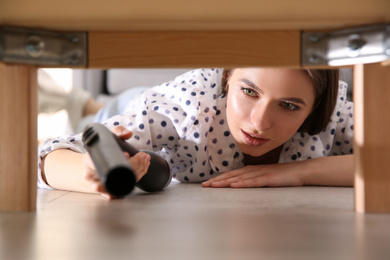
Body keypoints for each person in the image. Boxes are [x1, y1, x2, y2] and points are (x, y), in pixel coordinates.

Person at [38, 68, 354, 199]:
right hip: (136, 104)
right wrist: (86, 173)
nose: (259, 123)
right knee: (102, 114)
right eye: (248, 91)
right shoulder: (183, 109)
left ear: (313, 108)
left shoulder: (335, 112)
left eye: (287, 105)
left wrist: (299, 172)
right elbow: (46, 158)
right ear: (228, 78)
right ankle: (86, 104)